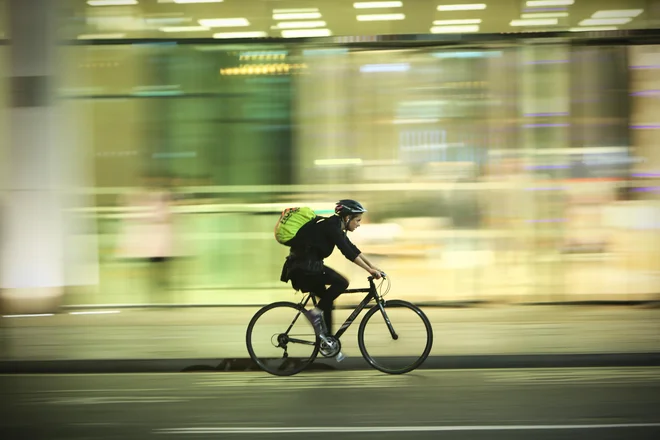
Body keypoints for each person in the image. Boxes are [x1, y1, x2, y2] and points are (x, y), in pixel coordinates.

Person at [281, 199, 383, 343]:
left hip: (307, 268)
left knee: (327, 302)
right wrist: (369, 270)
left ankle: (327, 341)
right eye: (358, 220)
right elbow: (347, 252)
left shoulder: (335, 226)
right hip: (304, 269)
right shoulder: (331, 226)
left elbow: (352, 248)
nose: (359, 224)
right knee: (341, 283)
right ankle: (314, 314)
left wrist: (372, 267)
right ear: (347, 218)